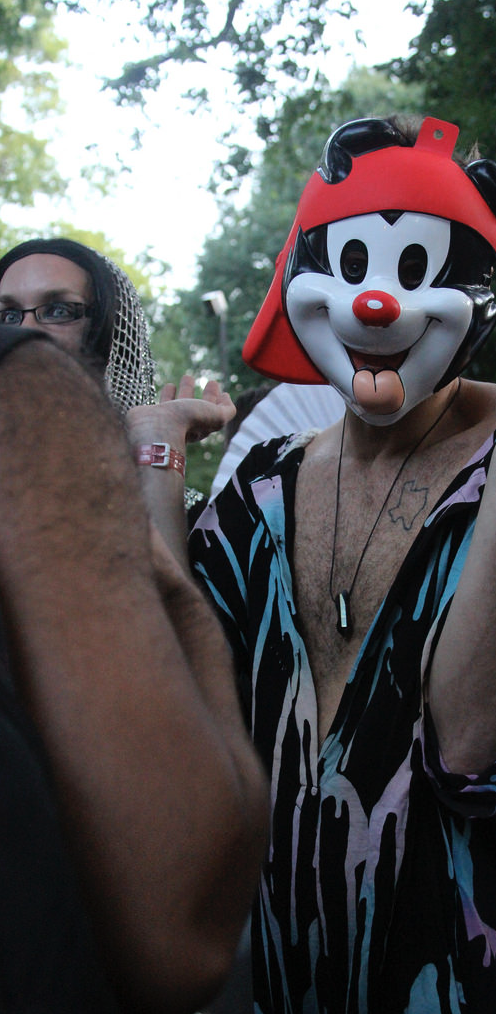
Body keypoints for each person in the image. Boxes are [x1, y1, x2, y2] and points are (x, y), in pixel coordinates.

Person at [128, 115, 496, 1013]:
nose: (377, 304)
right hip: (299, 964)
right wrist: (157, 451)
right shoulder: (265, 485)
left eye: (415, 272)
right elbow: (177, 672)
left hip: (474, 971)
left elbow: (471, 752)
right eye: (351, 268)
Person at [0, 323, 268, 1012]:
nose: (32, 328)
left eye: (60, 308)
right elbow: (187, 929)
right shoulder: (25, 391)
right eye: (9, 309)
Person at [0, 236, 156, 412]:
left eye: (58, 311)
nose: (26, 329)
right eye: (9, 316)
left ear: (106, 328)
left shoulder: (145, 428)